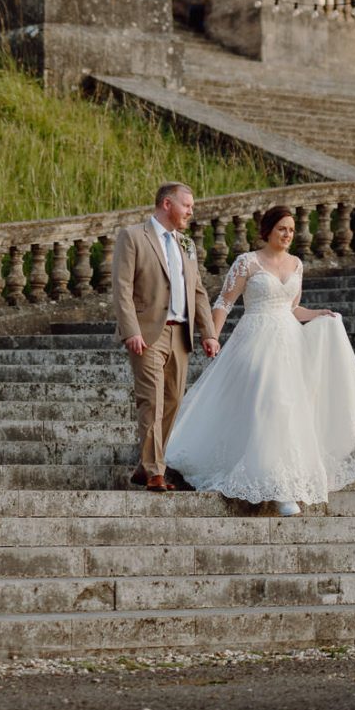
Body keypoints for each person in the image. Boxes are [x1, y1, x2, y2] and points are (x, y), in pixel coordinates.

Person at [164, 203, 355, 515]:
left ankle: (283, 486)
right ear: (268, 231)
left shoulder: (297, 264)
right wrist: (212, 335)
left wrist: (319, 314)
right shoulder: (247, 262)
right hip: (255, 339)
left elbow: (291, 308)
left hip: (290, 342)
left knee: (287, 406)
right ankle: (268, 481)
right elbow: (225, 300)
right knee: (268, 397)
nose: (288, 234)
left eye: (291, 230)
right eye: (282, 229)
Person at [111, 182, 220, 492]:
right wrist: (130, 330)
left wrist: (208, 333)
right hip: (148, 333)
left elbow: (197, 291)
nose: (191, 212)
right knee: (152, 401)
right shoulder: (133, 237)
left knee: (172, 401)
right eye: (187, 206)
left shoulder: (186, 244)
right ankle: (155, 471)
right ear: (167, 204)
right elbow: (121, 289)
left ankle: (145, 465)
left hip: (180, 334)